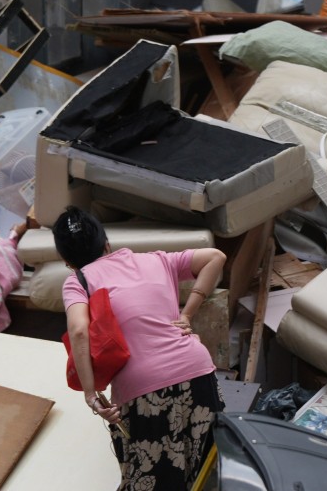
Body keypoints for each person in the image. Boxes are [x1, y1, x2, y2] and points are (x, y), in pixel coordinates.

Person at [54, 206, 227, 490]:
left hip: (144, 391)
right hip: (197, 373)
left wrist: (90, 394)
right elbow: (215, 257)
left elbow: (79, 329)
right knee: (208, 472)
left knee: (152, 480)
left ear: (66, 260)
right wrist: (187, 314)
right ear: (106, 243)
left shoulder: (78, 280)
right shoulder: (157, 260)